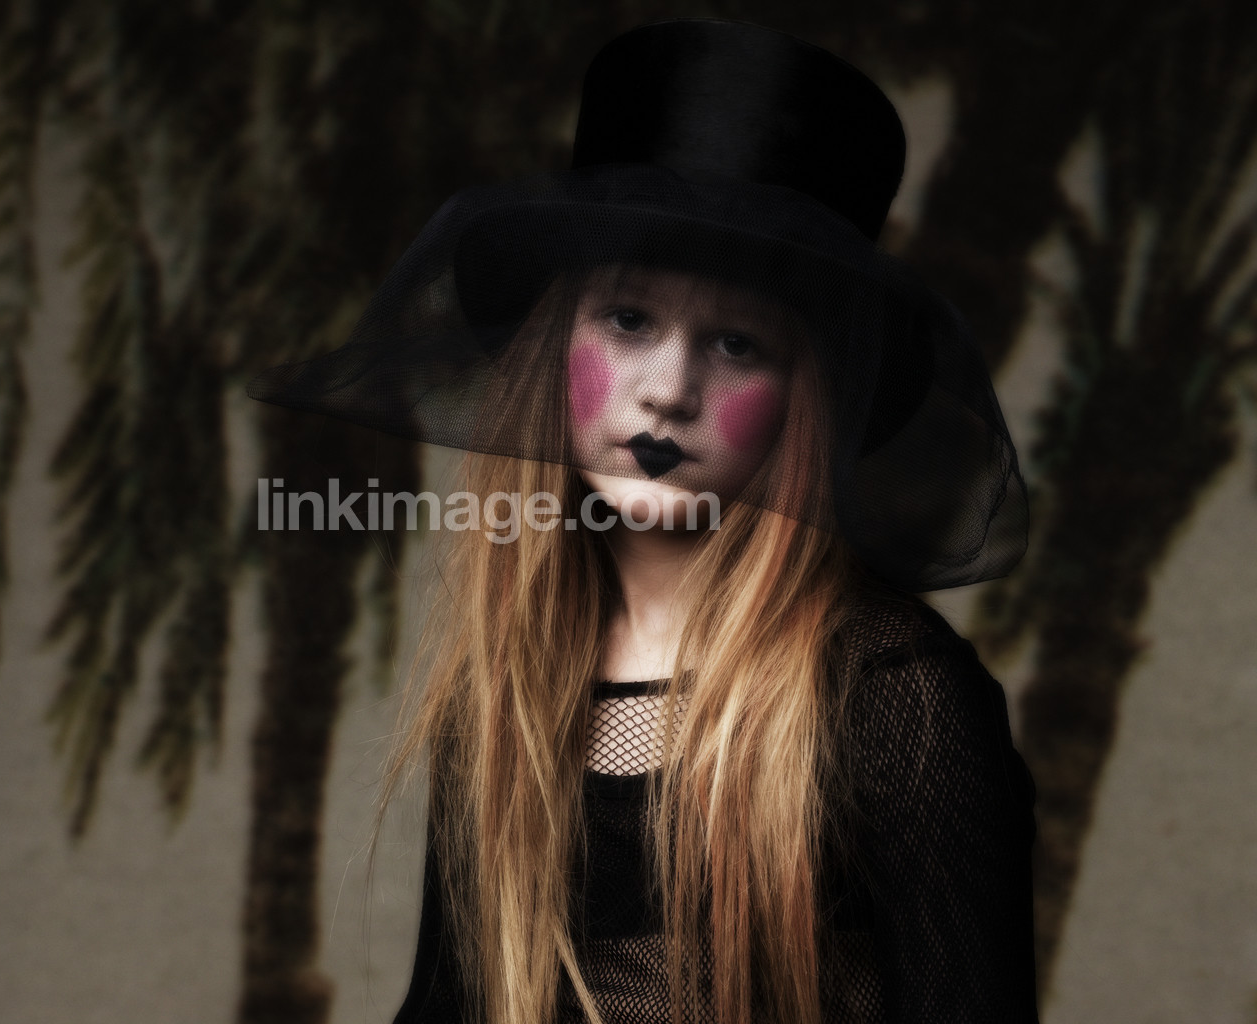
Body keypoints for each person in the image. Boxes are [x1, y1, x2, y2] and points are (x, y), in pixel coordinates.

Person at [249, 18, 1037, 1024]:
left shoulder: (894, 697)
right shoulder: (507, 689)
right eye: (629, 320)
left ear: (807, 396)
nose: (670, 390)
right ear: (553, 344)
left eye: (738, 343)